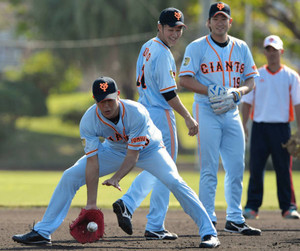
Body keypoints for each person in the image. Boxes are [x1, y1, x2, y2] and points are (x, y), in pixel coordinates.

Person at [12, 76, 220, 248]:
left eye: (110, 100)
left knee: (174, 181)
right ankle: (42, 231)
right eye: (102, 101)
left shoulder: (136, 113)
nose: (107, 105)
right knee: (70, 176)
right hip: (112, 150)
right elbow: (92, 162)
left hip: (150, 150)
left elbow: (133, 157)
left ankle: (209, 233)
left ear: (118, 96)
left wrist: (116, 178)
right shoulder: (89, 121)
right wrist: (91, 204)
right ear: (95, 100)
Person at [112, 7, 198, 240]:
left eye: (179, 29)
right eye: (171, 28)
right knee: (166, 169)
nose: (176, 33)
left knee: (159, 167)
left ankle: (130, 205)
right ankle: (153, 223)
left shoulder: (147, 46)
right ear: (159, 27)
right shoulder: (163, 53)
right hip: (160, 114)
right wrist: (188, 117)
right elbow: (169, 94)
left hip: (144, 112)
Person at [178, 2, 261, 235]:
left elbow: (251, 80)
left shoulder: (241, 47)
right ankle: (208, 218)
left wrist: (239, 92)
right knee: (209, 168)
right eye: (216, 18)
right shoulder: (196, 47)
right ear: (208, 22)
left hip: (232, 110)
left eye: (224, 18)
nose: (220, 22)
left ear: (230, 22)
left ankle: (235, 218)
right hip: (206, 110)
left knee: (236, 166)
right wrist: (210, 90)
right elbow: (184, 80)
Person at [242, 35, 300, 220]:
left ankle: (288, 207)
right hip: (260, 127)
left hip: (282, 129)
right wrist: (243, 126)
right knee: (256, 168)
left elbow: (298, 104)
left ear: (281, 51)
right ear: (265, 52)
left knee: (283, 169)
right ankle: (252, 207)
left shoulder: (291, 76)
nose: (272, 53)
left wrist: (299, 131)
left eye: (275, 49)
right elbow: (247, 102)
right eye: (268, 49)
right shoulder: (256, 75)